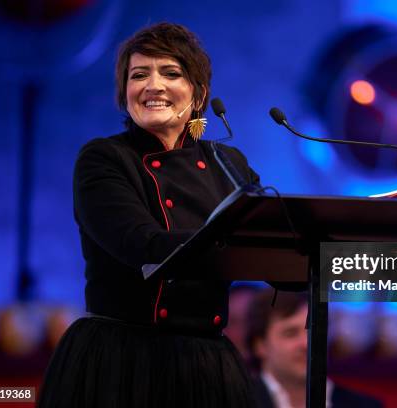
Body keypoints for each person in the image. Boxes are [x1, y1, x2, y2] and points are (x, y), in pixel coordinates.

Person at [37, 22, 259, 408]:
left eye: (170, 73)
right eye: (139, 75)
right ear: (125, 94)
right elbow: (141, 244)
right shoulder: (104, 158)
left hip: (206, 363)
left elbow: (265, 244)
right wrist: (233, 244)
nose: (153, 85)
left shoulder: (228, 163)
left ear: (199, 92)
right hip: (120, 361)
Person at [245, 288, 383, 408]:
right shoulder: (234, 402)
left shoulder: (366, 405)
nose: (307, 344)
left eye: (315, 332)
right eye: (291, 333)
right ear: (260, 345)